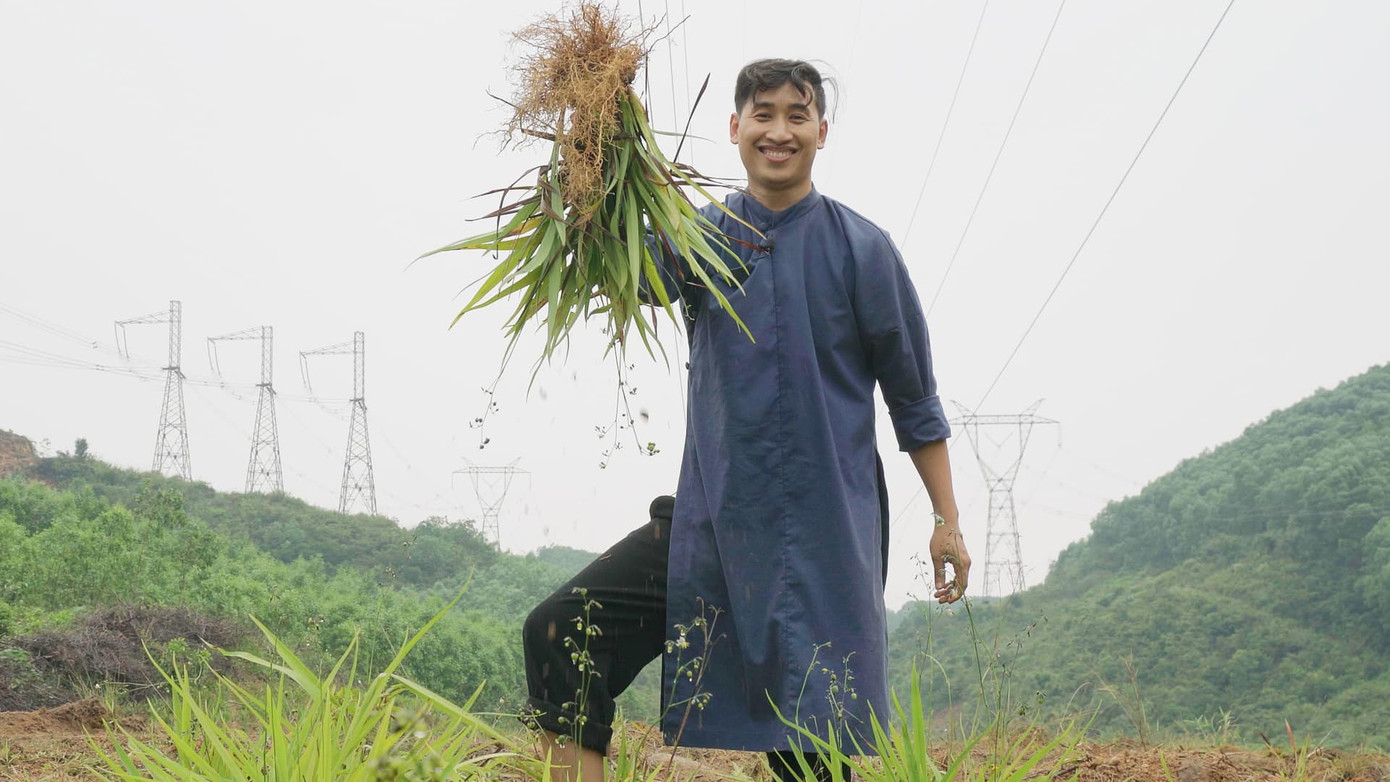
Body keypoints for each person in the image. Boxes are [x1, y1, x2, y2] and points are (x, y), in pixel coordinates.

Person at [522, 58, 971, 781]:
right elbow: (614, 265)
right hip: (711, 529)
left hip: (821, 545)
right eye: (763, 114)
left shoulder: (865, 251)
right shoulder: (700, 238)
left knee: (809, 754)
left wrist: (946, 520)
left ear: (822, 132)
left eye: (797, 115)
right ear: (735, 128)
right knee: (560, 629)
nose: (779, 131)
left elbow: (915, 401)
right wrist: (593, 143)